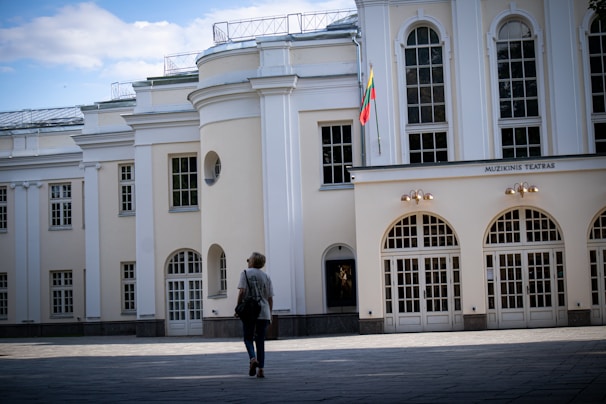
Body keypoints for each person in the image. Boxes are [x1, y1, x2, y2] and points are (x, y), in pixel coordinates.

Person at [237, 251, 274, 378]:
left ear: (252, 261)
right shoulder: (266, 276)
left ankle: (253, 358)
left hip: (249, 312)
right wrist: (270, 313)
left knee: (248, 338)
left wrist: (238, 307)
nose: (248, 262)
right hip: (263, 311)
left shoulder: (245, 273)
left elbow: (242, 292)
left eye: (249, 260)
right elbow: (269, 297)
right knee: (260, 341)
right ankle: (261, 370)